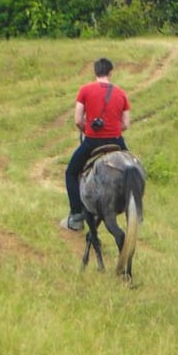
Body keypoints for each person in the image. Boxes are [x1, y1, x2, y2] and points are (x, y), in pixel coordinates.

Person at [61, 58, 131, 231]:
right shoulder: (121, 93)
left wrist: (88, 130)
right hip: (116, 141)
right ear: (110, 73)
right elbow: (126, 124)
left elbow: (78, 120)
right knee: (132, 170)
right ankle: (134, 205)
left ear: (95, 72)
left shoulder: (85, 90)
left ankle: (76, 215)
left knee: (70, 172)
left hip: (93, 142)